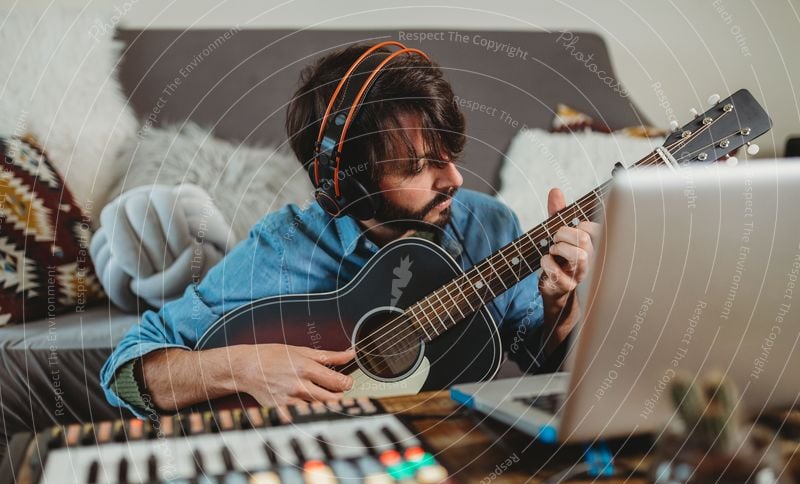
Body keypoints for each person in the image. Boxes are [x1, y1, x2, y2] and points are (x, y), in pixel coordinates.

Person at [100, 44, 600, 418]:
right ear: (348, 186)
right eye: (420, 168)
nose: (454, 180)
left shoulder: (489, 225)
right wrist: (246, 368)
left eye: (450, 154)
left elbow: (544, 365)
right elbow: (124, 370)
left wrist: (559, 304)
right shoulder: (284, 247)